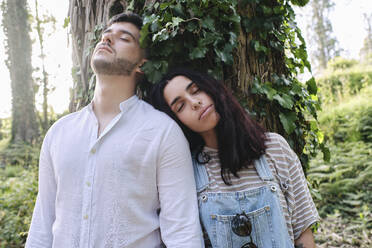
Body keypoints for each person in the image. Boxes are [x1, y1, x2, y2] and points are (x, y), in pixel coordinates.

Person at [26, 13, 204, 248]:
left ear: (142, 63)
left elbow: (183, 234)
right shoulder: (58, 133)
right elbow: (42, 226)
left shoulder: (163, 133)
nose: (107, 40)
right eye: (105, 35)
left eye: (124, 38)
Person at [151, 68, 319, 248]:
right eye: (180, 106)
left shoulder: (275, 149)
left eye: (196, 90)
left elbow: (303, 234)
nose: (195, 102)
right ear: (176, 122)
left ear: (211, 88)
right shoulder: (185, 173)